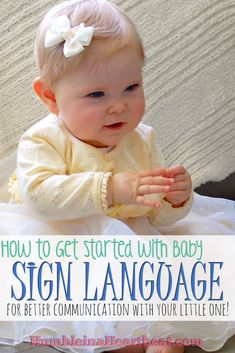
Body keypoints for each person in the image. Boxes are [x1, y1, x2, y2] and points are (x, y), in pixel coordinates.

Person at [0, 1, 235, 353]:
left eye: (131, 87)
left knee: (186, 270)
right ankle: (136, 338)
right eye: (97, 94)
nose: (119, 105)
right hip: (66, 243)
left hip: (135, 239)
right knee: (100, 294)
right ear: (50, 96)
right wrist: (110, 188)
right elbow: (40, 194)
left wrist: (173, 199)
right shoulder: (44, 139)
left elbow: (156, 216)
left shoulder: (142, 137)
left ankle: (163, 334)